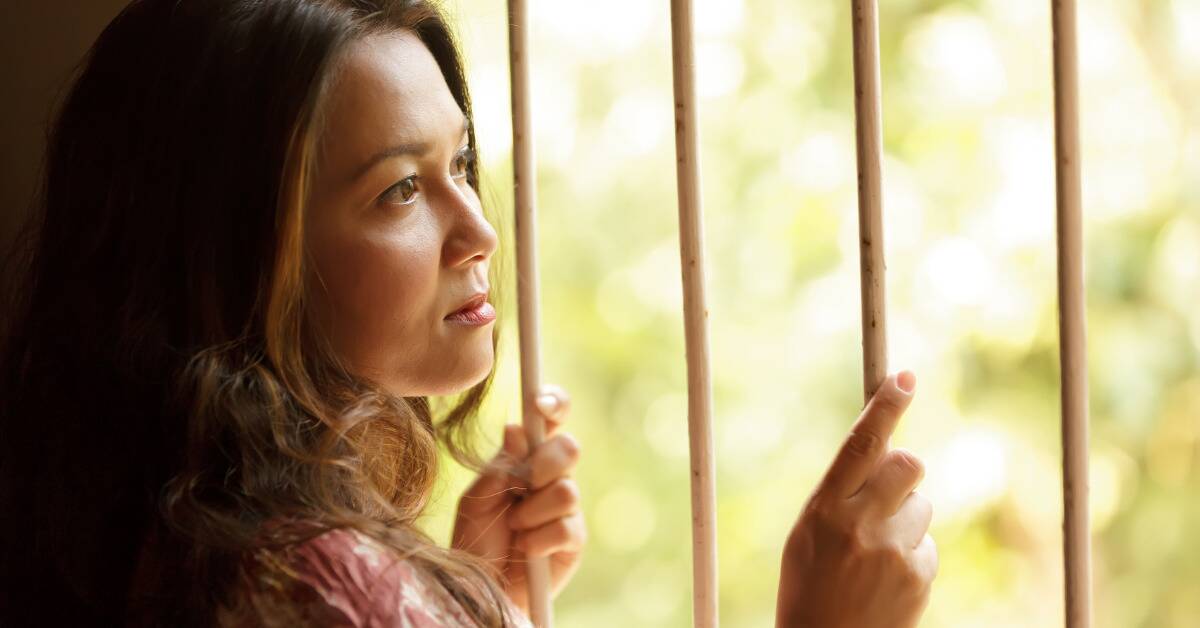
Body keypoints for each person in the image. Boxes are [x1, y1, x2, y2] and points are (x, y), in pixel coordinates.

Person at [0, 1, 936, 626]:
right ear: (239, 255)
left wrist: (462, 595)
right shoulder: (321, 584)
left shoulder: (185, 549)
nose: (479, 228)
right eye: (401, 189)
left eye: (461, 166)